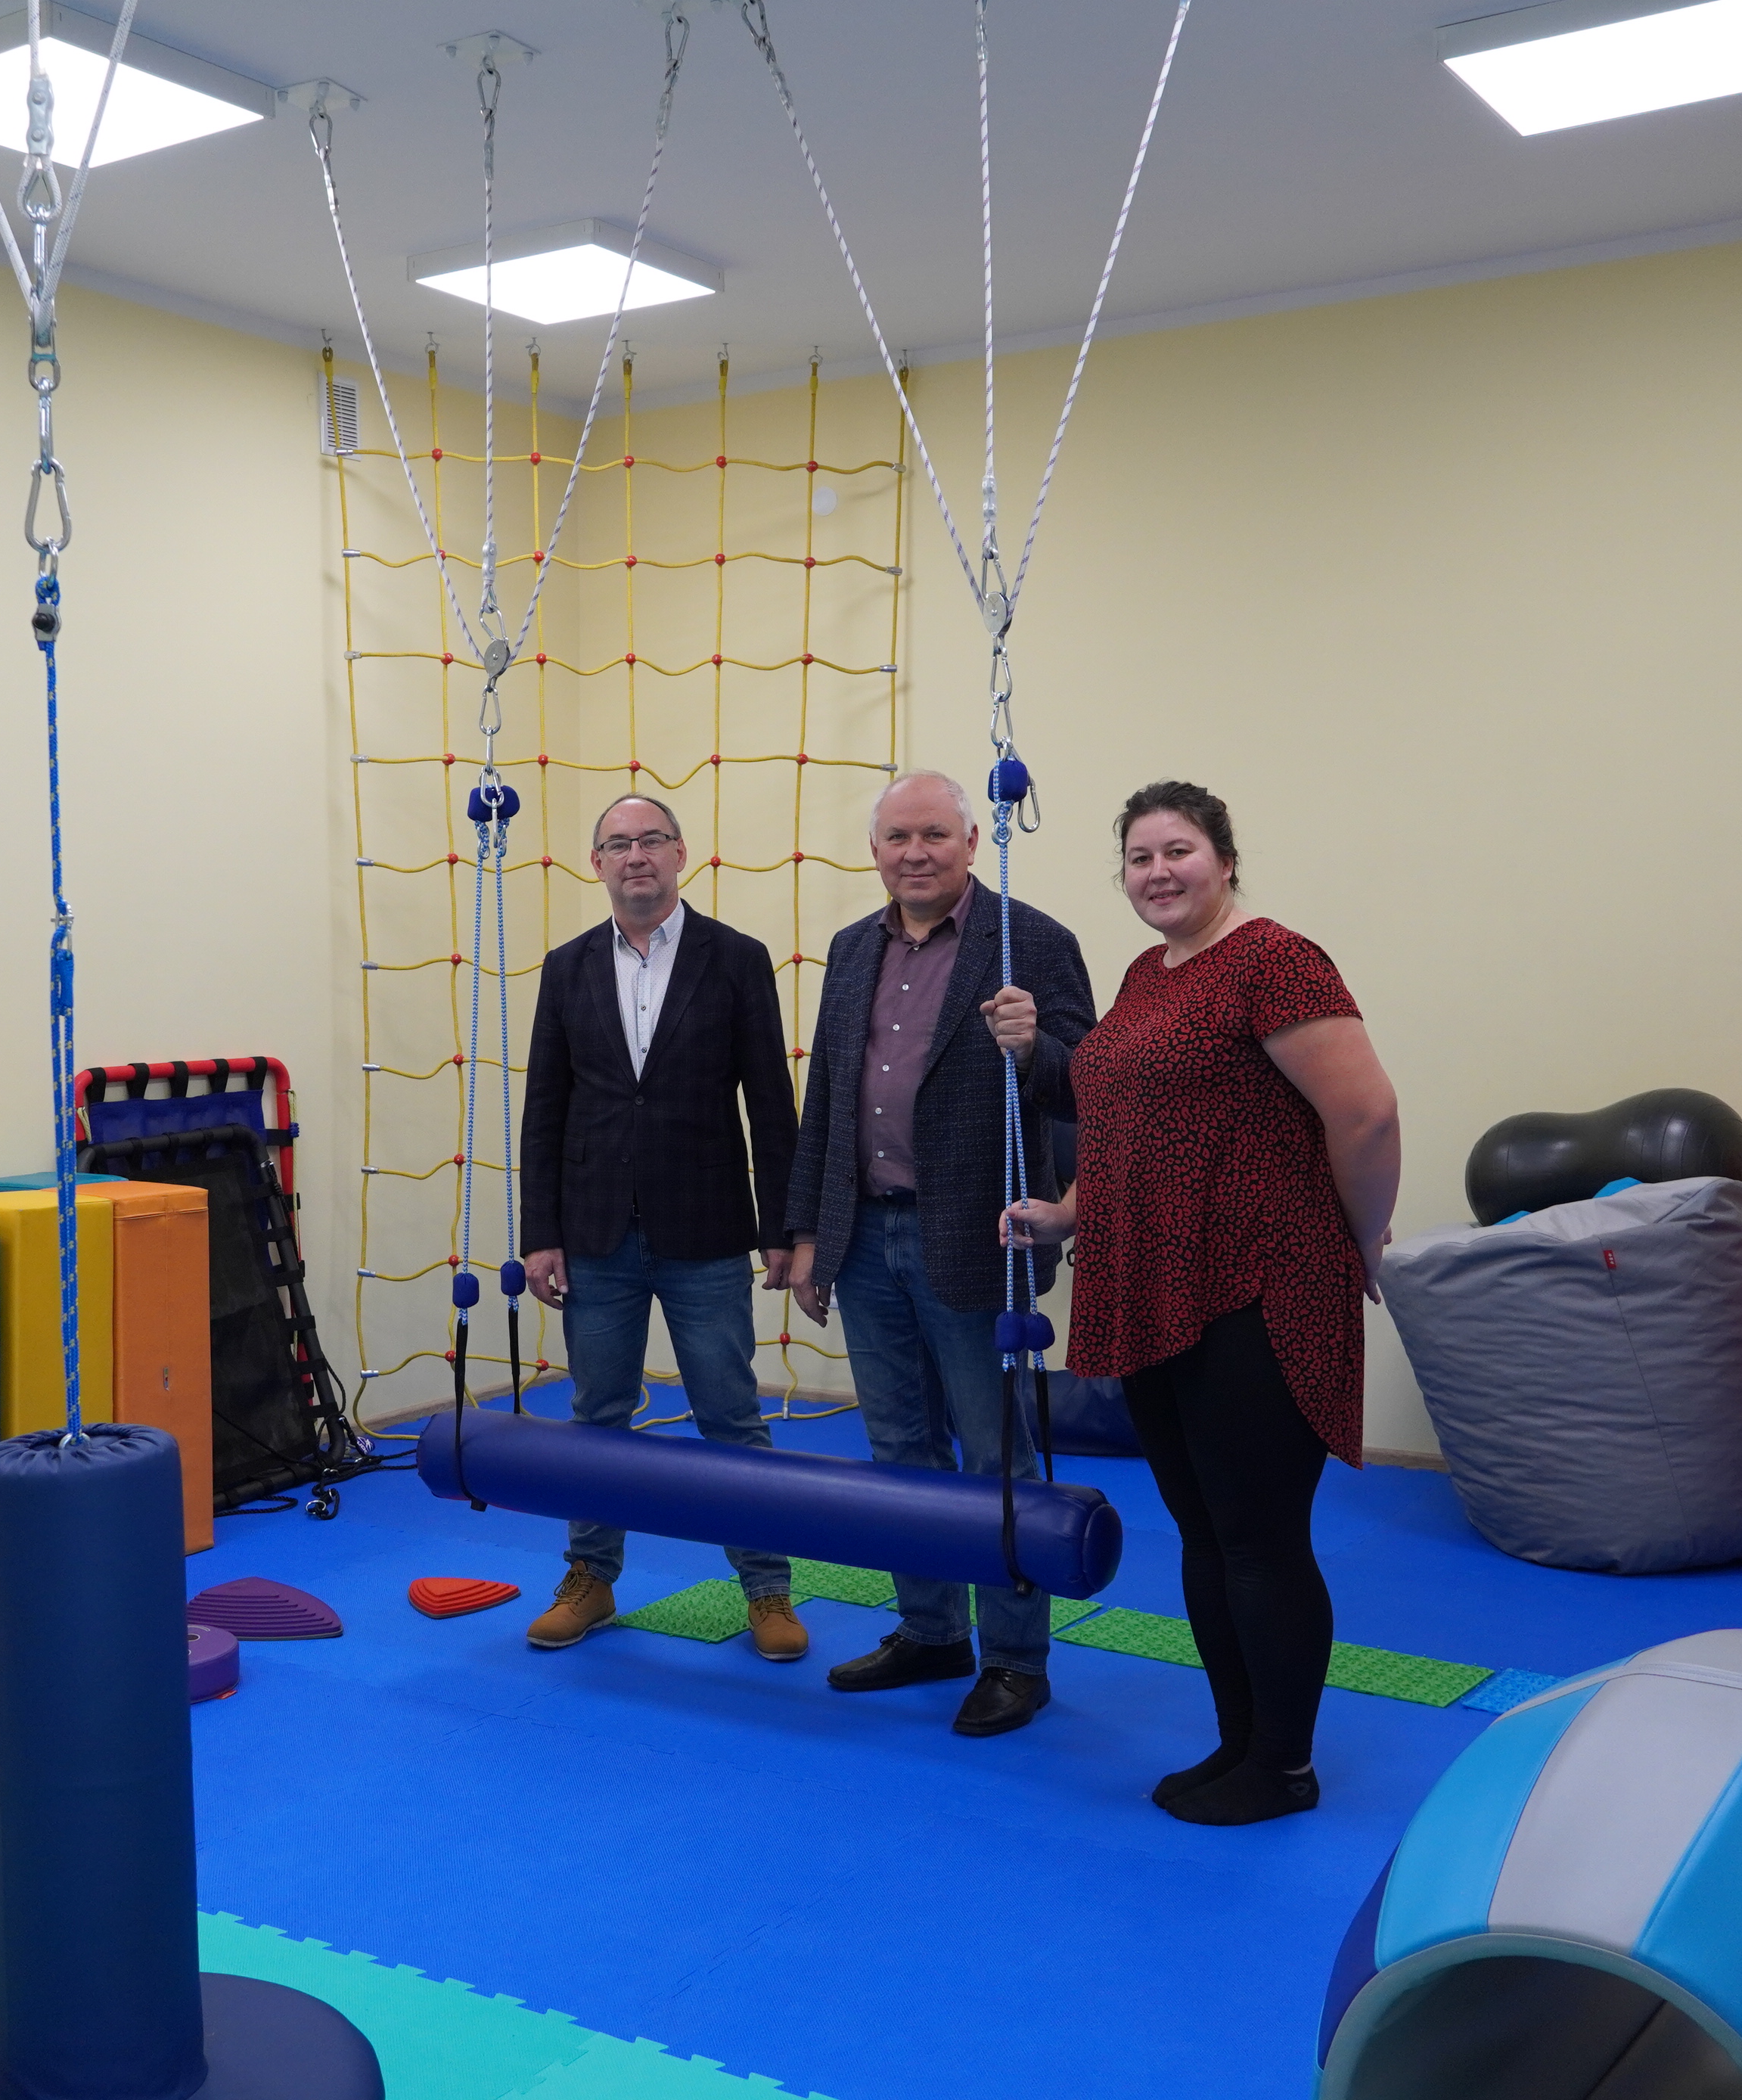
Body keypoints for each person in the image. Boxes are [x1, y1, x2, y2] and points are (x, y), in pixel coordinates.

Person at [1001, 781, 1399, 1825]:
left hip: (1259, 1283)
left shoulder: (1275, 960)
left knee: (1259, 1535)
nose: (1157, 872)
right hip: (1152, 1282)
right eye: (1139, 858)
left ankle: (1285, 1768)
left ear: (1225, 859)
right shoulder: (1146, 976)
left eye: (1177, 851)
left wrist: (1362, 1238)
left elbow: (1365, 1114)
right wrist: (1065, 1213)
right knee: (1205, 1533)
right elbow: (1130, 1131)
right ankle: (1241, 1743)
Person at [787, 770, 1095, 1735]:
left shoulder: (1031, 940)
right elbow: (826, 1099)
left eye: (932, 834)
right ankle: (931, 1632)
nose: (913, 853)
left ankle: (1015, 1659)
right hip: (864, 1234)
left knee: (995, 1455)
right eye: (896, 837)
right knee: (897, 1450)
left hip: (975, 1235)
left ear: (969, 841)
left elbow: (1087, 1085)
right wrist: (809, 1234)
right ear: (873, 850)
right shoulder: (851, 948)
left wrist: (1032, 1047)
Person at [517, 794, 809, 1658]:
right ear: (596, 863)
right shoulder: (565, 966)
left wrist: (784, 1225)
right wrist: (539, 1232)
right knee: (596, 1415)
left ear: (681, 853)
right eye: (618, 843)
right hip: (595, 1232)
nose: (635, 855)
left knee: (731, 1414)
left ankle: (766, 1587)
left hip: (706, 1229)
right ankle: (590, 1577)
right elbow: (544, 1109)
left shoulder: (737, 959)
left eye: (651, 840)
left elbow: (771, 1101)